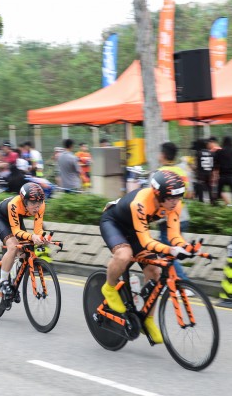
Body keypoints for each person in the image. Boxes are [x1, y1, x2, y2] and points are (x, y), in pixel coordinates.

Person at [99, 170, 195, 344]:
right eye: (171, 198)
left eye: (179, 197)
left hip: (135, 230)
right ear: (159, 195)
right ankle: (109, 287)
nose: (175, 202)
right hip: (113, 223)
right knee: (124, 255)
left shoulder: (174, 205)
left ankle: (147, 319)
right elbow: (146, 240)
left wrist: (185, 247)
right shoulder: (141, 203)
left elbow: (174, 236)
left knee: (155, 271)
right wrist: (170, 249)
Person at [0, 183, 49, 298]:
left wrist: (43, 236)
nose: (36, 207)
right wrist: (32, 237)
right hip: (0, 219)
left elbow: (38, 229)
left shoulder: (41, 206)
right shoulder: (14, 204)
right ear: (24, 201)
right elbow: (16, 231)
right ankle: (3, 281)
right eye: (33, 203)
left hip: (16, 219)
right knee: (13, 246)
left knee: (25, 252)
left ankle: (13, 282)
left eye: (39, 203)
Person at [156, 142, 193, 290]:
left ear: (163, 155)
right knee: (167, 252)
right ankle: (169, 282)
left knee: (168, 253)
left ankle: (182, 284)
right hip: (183, 217)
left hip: (167, 220)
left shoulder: (159, 173)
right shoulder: (182, 171)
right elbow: (189, 194)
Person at [213, 136, 232, 206]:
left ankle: (216, 206)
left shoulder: (219, 152)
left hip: (222, 176)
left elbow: (215, 165)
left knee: (218, 194)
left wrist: (215, 177)